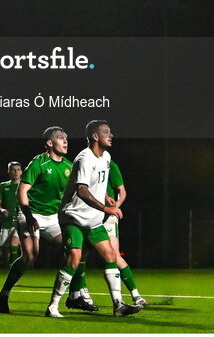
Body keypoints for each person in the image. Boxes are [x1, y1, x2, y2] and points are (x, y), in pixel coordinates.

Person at [44, 120, 141, 318]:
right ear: (95, 137)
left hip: (93, 219)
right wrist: (106, 208)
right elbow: (81, 190)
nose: (111, 135)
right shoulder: (84, 158)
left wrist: (107, 198)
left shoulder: (106, 157)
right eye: (107, 132)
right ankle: (52, 306)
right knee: (74, 260)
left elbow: (99, 182)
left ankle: (118, 305)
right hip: (73, 216)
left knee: (111, 256)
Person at [0, 126, 96, 314]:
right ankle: (4, 294)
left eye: (66, 138)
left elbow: (80, 191)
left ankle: (76, 295)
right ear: (50, 143)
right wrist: (28, 215)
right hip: (29, 214)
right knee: (30, 256)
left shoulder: (68, 166)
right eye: (60, 138)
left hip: (52, 218)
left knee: (77, 250)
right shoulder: (38, 163)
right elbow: (22, 192)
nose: (65, 141)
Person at [103, 155, 146, 307]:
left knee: (114, 255)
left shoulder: (110, 165)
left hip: (107, 216)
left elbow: (122, 191)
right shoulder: (85, 162)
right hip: (89, 214)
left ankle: (135, 295)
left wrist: (116, 206)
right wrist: (104, 196)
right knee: (79, 255)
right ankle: (80, 294)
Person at [0, 161, 23, 266]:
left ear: (21, 172)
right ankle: (8, 267)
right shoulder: (3, 186)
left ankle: (14, 274)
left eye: (18, 170)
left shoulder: (25, 186)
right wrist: (1, 209)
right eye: (13, 170)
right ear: (9, 172)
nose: (16, 172)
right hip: (7, 222)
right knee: (4, 251)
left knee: (14, 244)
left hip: (20, 221)